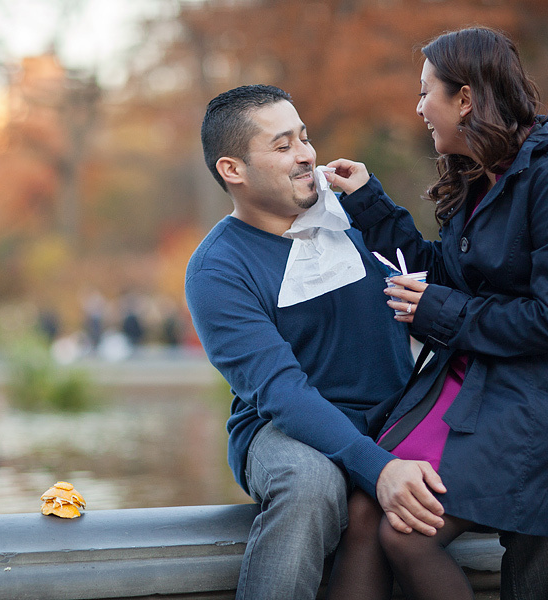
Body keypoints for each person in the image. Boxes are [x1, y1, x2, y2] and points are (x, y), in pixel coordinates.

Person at [324, 27, 548, 600]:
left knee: (407, 533)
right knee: (368, 502)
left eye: (425, 92)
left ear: (465, 99)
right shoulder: (478, 175)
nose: (418, 109)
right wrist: (369, 201)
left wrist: (442, 313)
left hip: (531, 399)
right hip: (472, 383)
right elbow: (447, 273)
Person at [186, 84, 451, 600]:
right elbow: (281, 394)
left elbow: (437, 293)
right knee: (310, 483)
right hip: (283, 428)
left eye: (304, 138)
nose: (307, 154)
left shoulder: (352, 215)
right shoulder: (217, 268)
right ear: (232, 170)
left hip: (393, 415)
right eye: (283, 145)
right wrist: (379, 468)